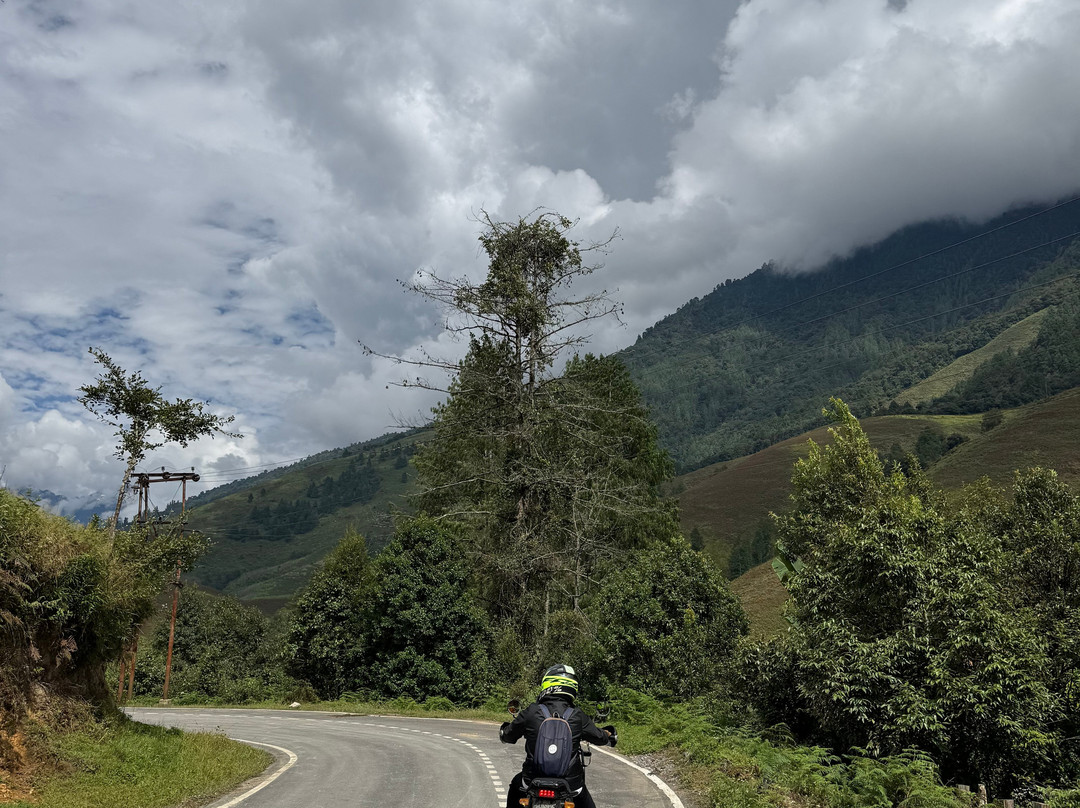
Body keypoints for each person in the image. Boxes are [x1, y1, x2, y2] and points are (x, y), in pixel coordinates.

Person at [499, 664, 616, 808]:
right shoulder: (577, 715)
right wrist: (608, 734)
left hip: (532, 779)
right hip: (570, 783)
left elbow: (508, 736)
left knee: (515, 785)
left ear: (547, 683)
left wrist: (504, 732)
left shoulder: (531, 711)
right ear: (572, 687)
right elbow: (600, 737)